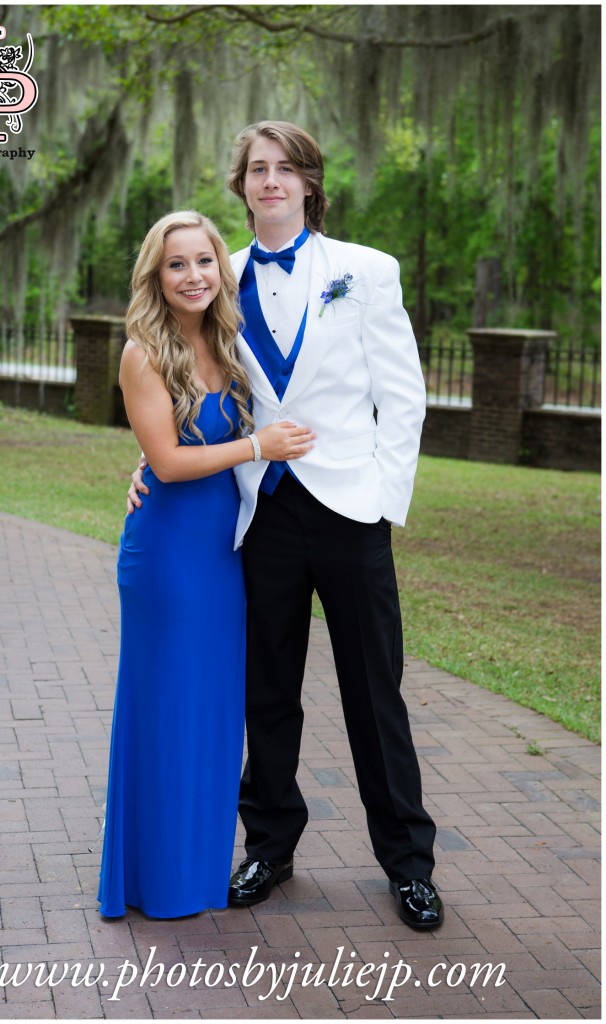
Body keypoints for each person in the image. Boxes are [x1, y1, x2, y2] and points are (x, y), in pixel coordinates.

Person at [129, 122, 443, 930]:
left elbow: (403, 397)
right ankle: (269, 844)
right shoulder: (212, 275)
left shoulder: (366, 272)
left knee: (375, 692)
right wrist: (150, 463)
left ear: (309, 182)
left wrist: (384, 501)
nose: (270, 181)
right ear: (241, 184)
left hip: (348, 511)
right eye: (256, 169)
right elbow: (179, 387)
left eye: (285, 169)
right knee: (266, 693)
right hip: (258, 515)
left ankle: (407, 863)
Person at [97, 209, 315, 919]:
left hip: (225, 560)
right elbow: (166, 460)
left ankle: (194, 871)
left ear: (223, 269)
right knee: (167, 713)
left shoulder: (232, 341)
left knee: (213, 715)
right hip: (167, 561)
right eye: (176, 264)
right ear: (155, 277)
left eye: (203, 261)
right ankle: (155, 881)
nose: (193, 276)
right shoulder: (144, 352)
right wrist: (258, 448)